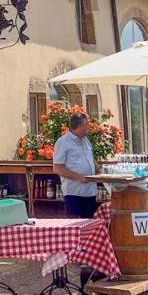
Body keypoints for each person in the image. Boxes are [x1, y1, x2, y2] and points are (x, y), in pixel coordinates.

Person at [53, 113, 99, 285]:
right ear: (79, 126)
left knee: (89, 224)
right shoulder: (63, 142)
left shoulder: (85, 141)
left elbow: (89, 156)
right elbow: (57, 168)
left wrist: (95, 166)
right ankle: (72, 255)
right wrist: (77, 176)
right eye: (87, 125)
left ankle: (87, 255)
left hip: (90, 190)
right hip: (74, 191)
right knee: (74, 225)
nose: (89, 127)